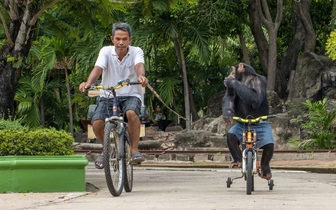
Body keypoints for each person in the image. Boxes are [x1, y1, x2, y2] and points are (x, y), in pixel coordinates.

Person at [79, 22, 148, 169]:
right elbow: (98, 68)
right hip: (108, 94)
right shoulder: (105, 51)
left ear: (130, 39)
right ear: (112, 39)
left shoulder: (136, 51)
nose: (121, 42)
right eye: (118, 39)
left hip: (131, 93)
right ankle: (107, 149)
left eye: (124, 39)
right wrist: (88, 82)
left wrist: (141, 76)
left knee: (131, 113)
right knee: (97, 122)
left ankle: (134, 150)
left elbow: (139, 66)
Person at [222, 62, 274, 180]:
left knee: (269, 144)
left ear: (241, 68)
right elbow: (228, 98)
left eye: (232, 71)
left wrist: (234, 83)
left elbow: (254, 100)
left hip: (260, 122)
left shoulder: (259, 80)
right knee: (231, 136)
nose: (230, 75)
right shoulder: (234, 84)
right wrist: (227, 110)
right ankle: (238, 160)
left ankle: (265, 166)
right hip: (242, 123)